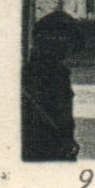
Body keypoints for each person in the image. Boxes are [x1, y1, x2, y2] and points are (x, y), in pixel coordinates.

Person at [22, 11, 84, 161]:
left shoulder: (37, 70)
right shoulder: (53, 74)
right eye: (68, 44)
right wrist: (66, 141)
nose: (69, 51)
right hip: (47, 150)